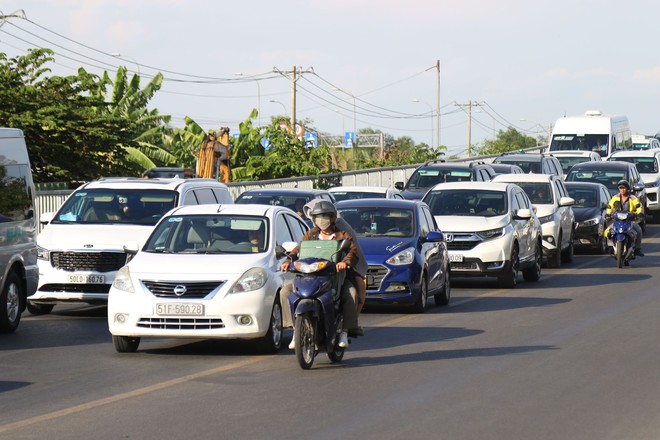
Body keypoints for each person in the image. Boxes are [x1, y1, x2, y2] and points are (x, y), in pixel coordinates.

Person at [280, 200, 360, 349]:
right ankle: (294, 330)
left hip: (334, 277)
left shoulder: (342, 235)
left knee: (351, 293)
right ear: (314, 219)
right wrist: (288, 260)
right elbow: (298, 250)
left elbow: (352, 252)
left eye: (325, 217)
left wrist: (344, 262)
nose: (322, 221)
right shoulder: (310, 234)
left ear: (332, 218)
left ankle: (344, 331)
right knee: (285, 291)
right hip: (309, 277)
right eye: (318, 217)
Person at [605, 180, 644, 256]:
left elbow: (638, 206)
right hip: (617, 220)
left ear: (627, 188)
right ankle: (610, 247)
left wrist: (639, 214)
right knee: (607, 231)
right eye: (620, 188)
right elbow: (609, 207)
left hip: (630, 220)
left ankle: (637, 249)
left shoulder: (632, 198)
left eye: (624, 188)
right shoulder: (615, 198)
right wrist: (608, 214)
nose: (622, 189)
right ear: (618, 189)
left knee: (639, 230)